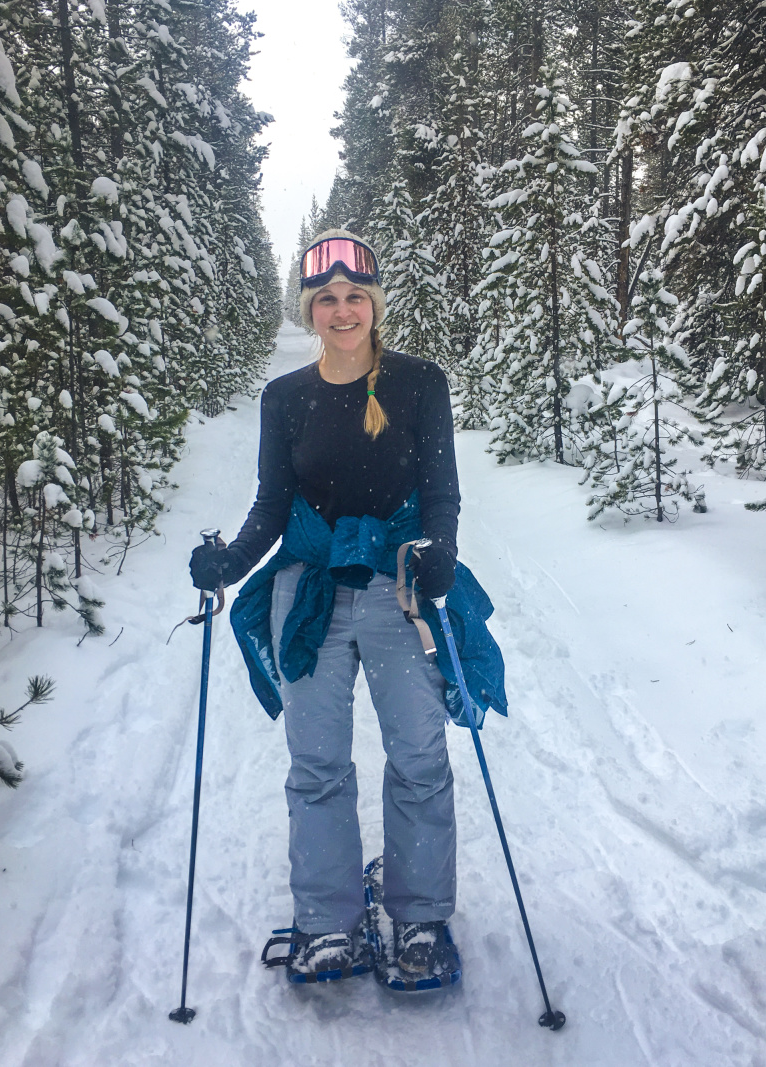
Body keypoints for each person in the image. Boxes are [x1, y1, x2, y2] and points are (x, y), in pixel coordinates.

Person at [189, 229, 506, 981]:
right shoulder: (285, 397)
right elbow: (272, 505)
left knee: (419, 756)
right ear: (310, 309)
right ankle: (328, 922)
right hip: (312, 591)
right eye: (325, 298)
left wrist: (441, 551)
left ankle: (421, 918)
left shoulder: (420, 383)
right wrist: (230, 561)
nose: (341, 309)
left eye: (354, 295)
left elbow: (441, 490)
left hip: (399, 586)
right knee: (317, 762)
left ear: (374, 303)